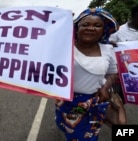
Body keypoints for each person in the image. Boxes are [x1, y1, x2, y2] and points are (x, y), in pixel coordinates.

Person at [54, 8, 124, 141]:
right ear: (77, 27)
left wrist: (105, 88)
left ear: (103, 30)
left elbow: (112, 72)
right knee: (68, 126)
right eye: (85, 24)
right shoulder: (64, 47)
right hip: (67, 102)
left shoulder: (108, 49)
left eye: (97, 26)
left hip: (95, 101)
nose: (91, 28)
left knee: (86, 134)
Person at [109, 5, 138, 103]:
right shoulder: (119, 31)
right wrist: (111, 45)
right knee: (119, 101)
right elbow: (108, 46)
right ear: (135, 16)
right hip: (124, 74)